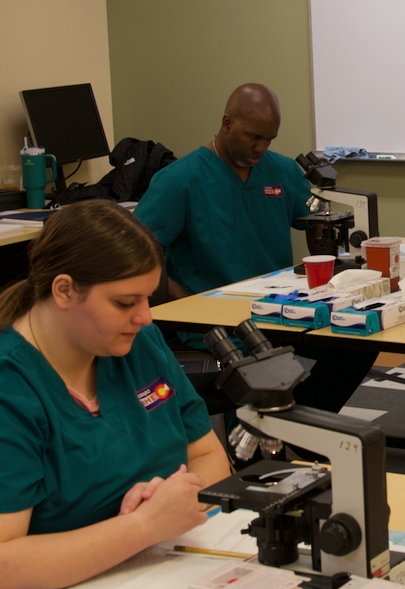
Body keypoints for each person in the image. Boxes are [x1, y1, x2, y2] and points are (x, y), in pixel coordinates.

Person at [0, 200, 230, 589]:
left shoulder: (136, 346)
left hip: (131, 572)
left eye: (148, 297)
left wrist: (173, 505)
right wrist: (145, 525)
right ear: (64, 290)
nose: (145, 316)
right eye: (125, 302)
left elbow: (208, 456)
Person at [135, 83, 376, 413]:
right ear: (227, 122)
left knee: (357, 343)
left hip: (279, 310)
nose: (260, 148)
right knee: (257, 370)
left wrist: (325, 274)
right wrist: (188, 305)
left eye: (269, 139)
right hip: (218, 322)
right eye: (253, 137)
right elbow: (139, 251)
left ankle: (300, 421)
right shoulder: (180, 180)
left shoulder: (282, 170)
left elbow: (317, 219)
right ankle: (270, 422)